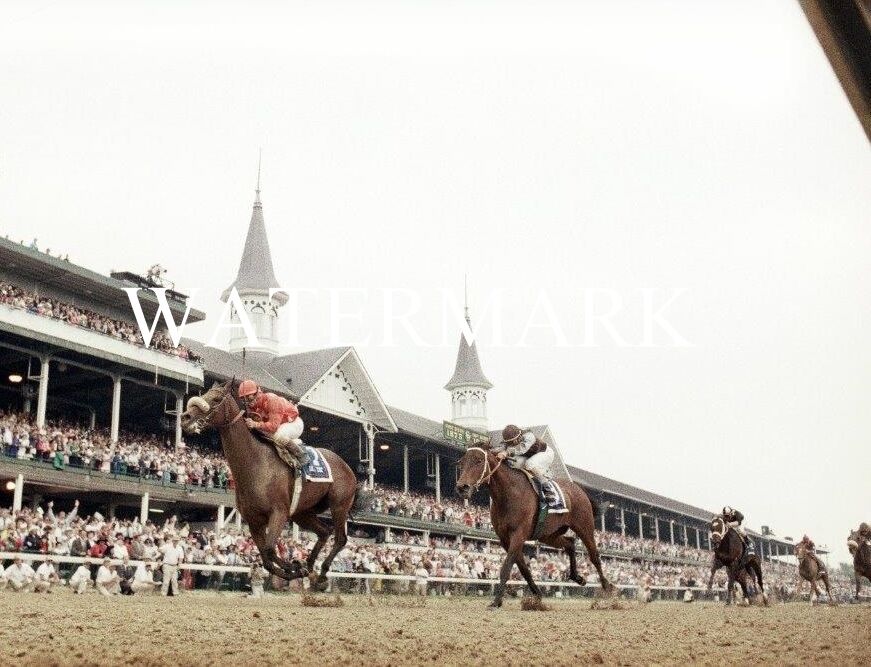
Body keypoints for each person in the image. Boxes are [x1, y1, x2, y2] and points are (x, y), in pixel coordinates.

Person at [238, 380, 307, 468]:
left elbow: (273, 427)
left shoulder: (272, 400)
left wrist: (255, 424)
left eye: (249, 397)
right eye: (244, 399)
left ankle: (302, 455)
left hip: (293, 423)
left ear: (257, 393)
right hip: (279, 425)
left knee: (278, 436)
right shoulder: (253, 408)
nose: (247, 402)